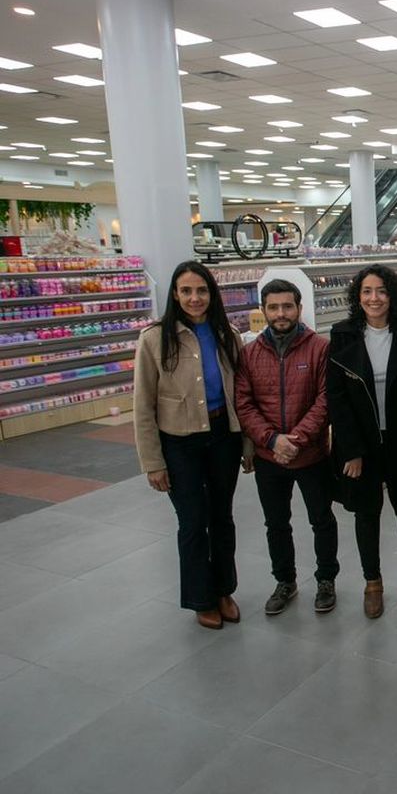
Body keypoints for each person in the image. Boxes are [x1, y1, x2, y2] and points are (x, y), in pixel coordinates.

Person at [133, 261, 251, 630]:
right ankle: (201, 598)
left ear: (212, 294)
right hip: (179, 443)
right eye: (186, 291)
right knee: (192, 521)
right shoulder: (154, 339)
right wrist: (152, 462)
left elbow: (240, 394)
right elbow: (143, 404)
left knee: (222, 517)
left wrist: (247, 444)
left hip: (223, 438)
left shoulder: (226, 333)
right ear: (174, 294)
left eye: (201, 290)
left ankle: (223, 590)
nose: (195, 298)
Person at [327, 265, 397, 619]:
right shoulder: (343, 336)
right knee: (366, 512)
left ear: (393, 296)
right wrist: (351, 449)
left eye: (382, 291)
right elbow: (336, 398)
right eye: (367, 291)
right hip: (363, 444)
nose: (375, 298)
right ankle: (373, 583)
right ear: (358, 296)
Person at [235, 278, 340, 615]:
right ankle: (285, 580)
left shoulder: (320, 348)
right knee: (276, 523)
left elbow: (326, 400)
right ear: (263, 310)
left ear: (299, 308)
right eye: (273, 307)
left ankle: (326, 580)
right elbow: (244, 403)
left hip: (311, 455)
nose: (281, 313)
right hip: (269, 457)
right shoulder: (249, 354)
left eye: (287, 306)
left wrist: (295, 439)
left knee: (321, 519)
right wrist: (271, 440)